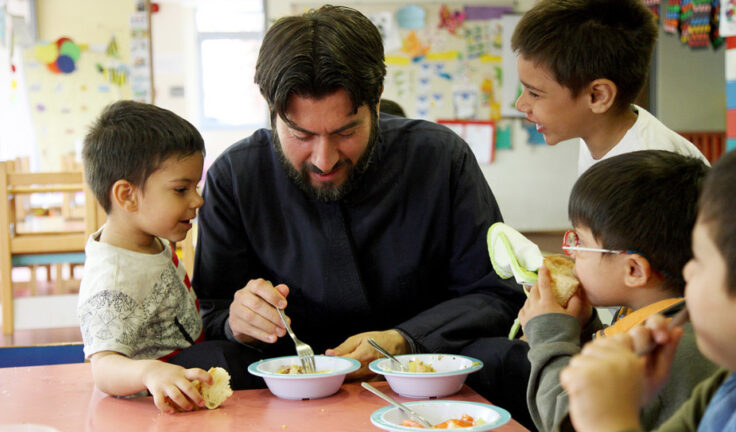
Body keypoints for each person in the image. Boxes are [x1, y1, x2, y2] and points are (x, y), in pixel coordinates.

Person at [189, 5, 525, 390]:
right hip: (287, 376)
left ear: (377, 100)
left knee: (510, 360)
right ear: (271, 111)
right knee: (204, 361)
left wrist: (402, 340)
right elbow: (209, 310)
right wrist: (237, 320)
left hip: (419, 368)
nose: (324, 159)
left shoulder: (440, 158)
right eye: (301, 136)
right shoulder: (236, 176)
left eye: (346, 132)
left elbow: (496, 295)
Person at [520, 150, 717, 431]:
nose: (571, 252)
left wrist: (550, 336)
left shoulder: (668, 348)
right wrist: (586, 327)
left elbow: (567, 421)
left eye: (581, 242)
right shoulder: (653, 313)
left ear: (634, 270)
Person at [78, 100, 212, 413]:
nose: (198, 199)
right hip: (147, 409)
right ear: (127, 195)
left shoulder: (147, 241)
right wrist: (150, 372)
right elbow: (103, 367)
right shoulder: (113, 278)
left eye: (196, 185)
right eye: (181, 189)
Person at [511, 0, 707, 175]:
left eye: (534, 93)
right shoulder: (599, 135)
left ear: (598, 96)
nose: (520, 105)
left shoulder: (648, 173)